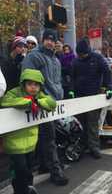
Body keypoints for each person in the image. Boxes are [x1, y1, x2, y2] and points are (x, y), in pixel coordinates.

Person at [21, 29, 69, 186]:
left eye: (52, 39)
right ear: (42, 40)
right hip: (41, 104)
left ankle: (45, 166)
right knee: (48, 138)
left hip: (54, 103)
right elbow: (27, 79)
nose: (50, 42)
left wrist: (61, 93)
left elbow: (57, 80)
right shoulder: (34, 56)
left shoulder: (56, 60)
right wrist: (37, 99)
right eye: (47, 39)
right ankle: (56, 172)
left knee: (47, 137)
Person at [1, 69, 56, 194]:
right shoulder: (14, 92)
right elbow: (4, 101)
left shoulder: (38, 95)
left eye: (36, 85)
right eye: (30, 84)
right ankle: (20, 190)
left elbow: (52, 103)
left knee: (29, 169)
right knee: (19, 170)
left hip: (31, 143)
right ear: (23, 84)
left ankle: (28, 188)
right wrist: (27, 102)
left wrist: (38, 102)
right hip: (14, 143)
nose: (33, 88)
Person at [72, 38, 112, 159]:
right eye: (80, 55)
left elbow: (107, 72)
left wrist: (108, 87)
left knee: (92, 122)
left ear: (88, 51)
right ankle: (84, 145)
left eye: (83, 54)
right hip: (80, 96)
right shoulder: (76, 61)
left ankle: (94, 146)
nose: (82, 56)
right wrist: (71, 90)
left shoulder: (97, 58)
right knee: (81, 122)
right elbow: (72, 77)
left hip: (94, 95)